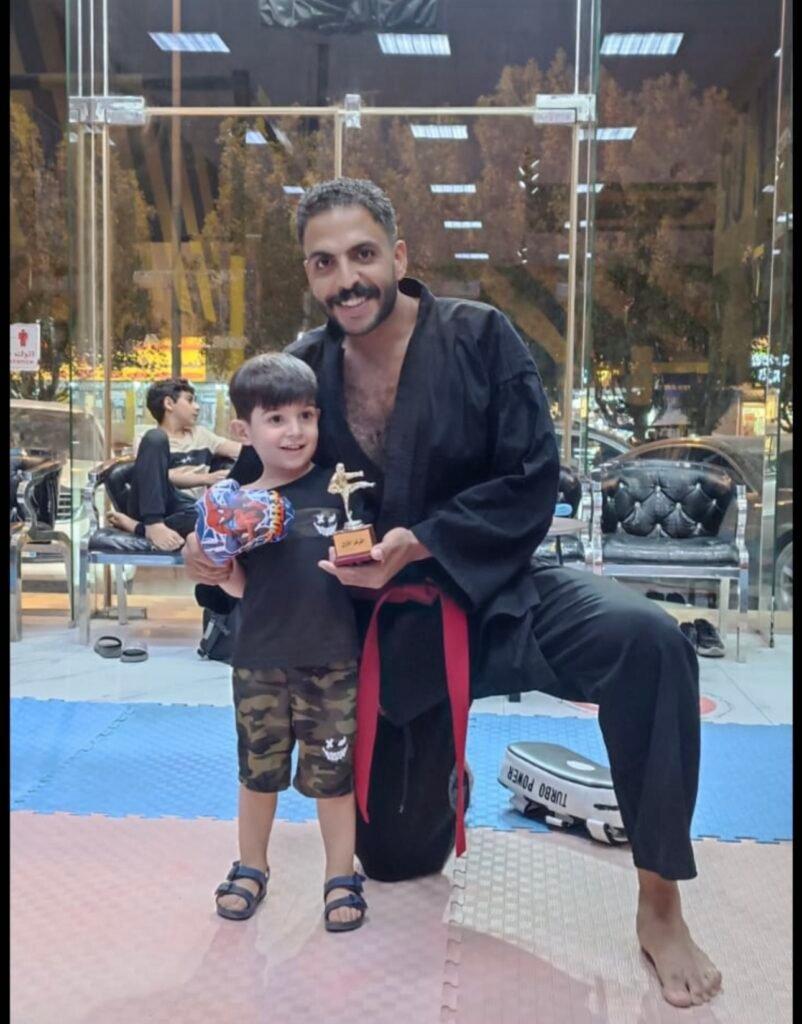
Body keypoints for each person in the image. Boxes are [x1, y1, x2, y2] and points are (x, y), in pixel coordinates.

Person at [184, 179, 720, 1006]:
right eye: (325, 263)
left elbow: (533, 475)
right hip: (379, 631)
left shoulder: (480, 337)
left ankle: (660, 901)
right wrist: (214, 553)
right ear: (310, 274)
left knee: (647, 642)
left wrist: (426, 539)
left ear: (398, 255)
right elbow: (262, 499)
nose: (346, 279)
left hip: (495, 591)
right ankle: (443, 761)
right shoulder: (304, 368)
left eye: (363, 254)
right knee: (396, 861)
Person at [208, 352, 367, 931]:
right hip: (259, 660)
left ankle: (340, 875)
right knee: (258, 773)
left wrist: (366, 562)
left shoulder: (340, 489)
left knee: (334, 778)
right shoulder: (235, 503)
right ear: (243, 430)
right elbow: (240, 588)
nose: (294, 430)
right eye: (275, 419)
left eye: (305, 415)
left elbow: (366, 563)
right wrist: (220, 565)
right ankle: (252, 866)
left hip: (332, 660)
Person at [108, 378, 241, 550]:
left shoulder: (202, 435)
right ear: (169, 404)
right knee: (156, 437)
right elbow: (156, 478)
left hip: (188, 509)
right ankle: (153, 524)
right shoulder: (147, 440)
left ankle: (139, 528)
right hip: (152, 504)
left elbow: (241, 450)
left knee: (219, 515)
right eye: (190, 400)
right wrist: (206, 478)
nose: (197, 407)